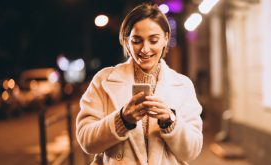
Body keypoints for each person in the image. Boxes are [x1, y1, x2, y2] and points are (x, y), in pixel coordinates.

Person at [76, 3, 203, 165]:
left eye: (153, 40)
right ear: (126, 41)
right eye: (137, 41)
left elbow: (192, 151)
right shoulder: (104, 80)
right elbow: (87, 141)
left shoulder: (183, 85)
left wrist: (170, 120)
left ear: (165, 38)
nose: (145, 49)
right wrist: (122, 119)